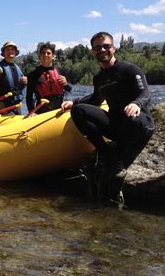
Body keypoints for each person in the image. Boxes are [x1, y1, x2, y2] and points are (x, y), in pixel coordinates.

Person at [61, 31, 154, 202]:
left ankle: (122, 162)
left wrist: (137, 104)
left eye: (106, 46)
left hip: (138, 123)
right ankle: (106, 152)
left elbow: (145, 93)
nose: (102, 50)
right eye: (97, 48)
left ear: (114, 48)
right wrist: (74, 103)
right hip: (116, 125)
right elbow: (96, 100)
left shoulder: (130, 69)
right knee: (79, 111)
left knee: (134, 118)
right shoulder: (99, 78)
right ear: (93, 52)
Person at [26, 42, 71, 115]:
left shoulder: (61, 71)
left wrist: (66, 84)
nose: (45, 55)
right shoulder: (33, 75)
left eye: (48, 53)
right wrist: (31, 111)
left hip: (59, 110)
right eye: (43, 53)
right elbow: (29, 96)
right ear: (40, 56)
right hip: (41, 112)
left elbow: (69, 89)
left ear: (53, 56)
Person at [0, 41, 27, 116]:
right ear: (4, 53)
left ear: (15, 52)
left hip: (17, 105)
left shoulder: (17, 68)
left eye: (12, 49)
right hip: (3, 105)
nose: (10, 51)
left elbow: (20, 88)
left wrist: (25, 83)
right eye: (7, 49)